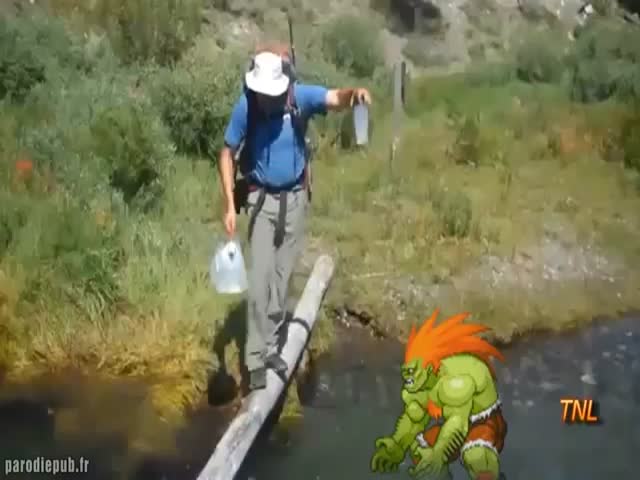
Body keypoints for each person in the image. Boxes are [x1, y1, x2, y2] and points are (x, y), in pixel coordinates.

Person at [217, 44, 372, 391]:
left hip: (296, 199)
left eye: (268, 93)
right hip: (261, 200)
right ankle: (255, 361)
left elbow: (334, 97)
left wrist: (355, 95)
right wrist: (229, 204)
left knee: (282, 278)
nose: (264, 99)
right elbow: (226, 153)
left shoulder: (298, 97)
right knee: (260, 280)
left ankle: (274, 348)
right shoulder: (246, 105)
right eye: (260, 93)